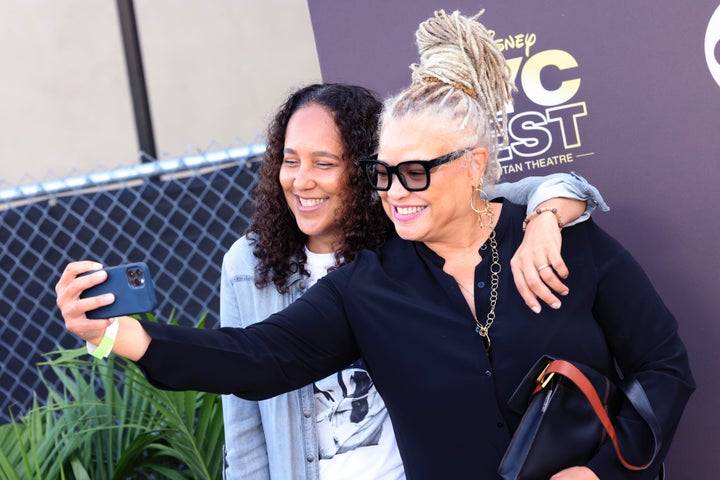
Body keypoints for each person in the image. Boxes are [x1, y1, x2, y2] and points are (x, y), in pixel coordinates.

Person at [56, 10, 694, 480]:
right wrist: (121, 335)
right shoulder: (368, 284)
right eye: (382, 174)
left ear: (474, 166)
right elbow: (257, 357)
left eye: (415, 172)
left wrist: (604, 472)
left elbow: (663, 367)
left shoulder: (564, 244)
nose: (394, 192)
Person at [219, 83, 604, 480]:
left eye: (324, 163)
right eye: (290, 161)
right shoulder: (248, 265)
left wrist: (545, 218)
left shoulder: (407, 229)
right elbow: (244, 421)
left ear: (366, 169)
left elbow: (540, 190)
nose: (301, 181)